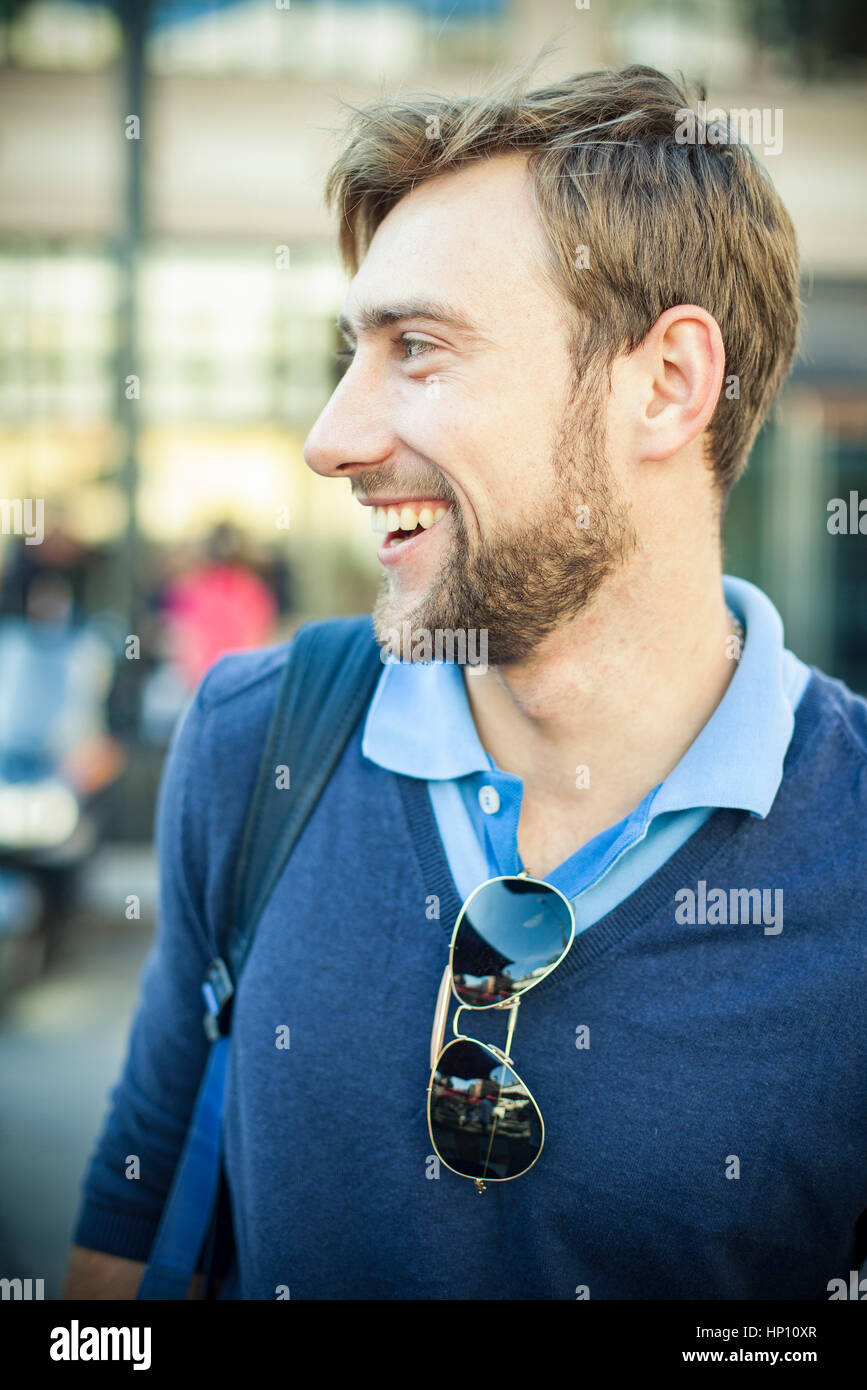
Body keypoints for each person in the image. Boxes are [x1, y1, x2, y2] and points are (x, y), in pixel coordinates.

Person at [64, 64, 867, 1301]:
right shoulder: (259, 740)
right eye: (353, 349)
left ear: (665, 384)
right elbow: (126, 1231)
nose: (332, 437)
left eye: (420, 349)